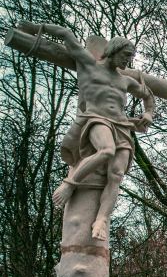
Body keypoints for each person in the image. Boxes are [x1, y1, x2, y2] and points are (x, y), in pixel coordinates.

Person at [23, 24, 157, 241]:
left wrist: (148, 113)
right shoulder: (88, 64)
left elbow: (148, 95)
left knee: (116, 175)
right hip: (96, 119)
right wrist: (32, 28)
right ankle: (69, 184)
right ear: (113, 50)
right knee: (106, 150)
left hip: (122, 126)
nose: (127, 62)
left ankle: (101, 219)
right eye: (124, 56)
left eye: (130, 58)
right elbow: (66, 35)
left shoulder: (125, 80)